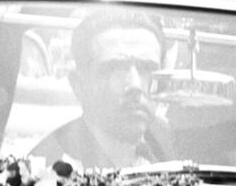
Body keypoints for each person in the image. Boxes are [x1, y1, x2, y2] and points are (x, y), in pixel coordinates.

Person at [31, 9, 173, 168]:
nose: (135, 85)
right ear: (79, 85)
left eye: (147, 69)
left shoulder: (170, 140)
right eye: (114, 69)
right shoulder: (44, 168)